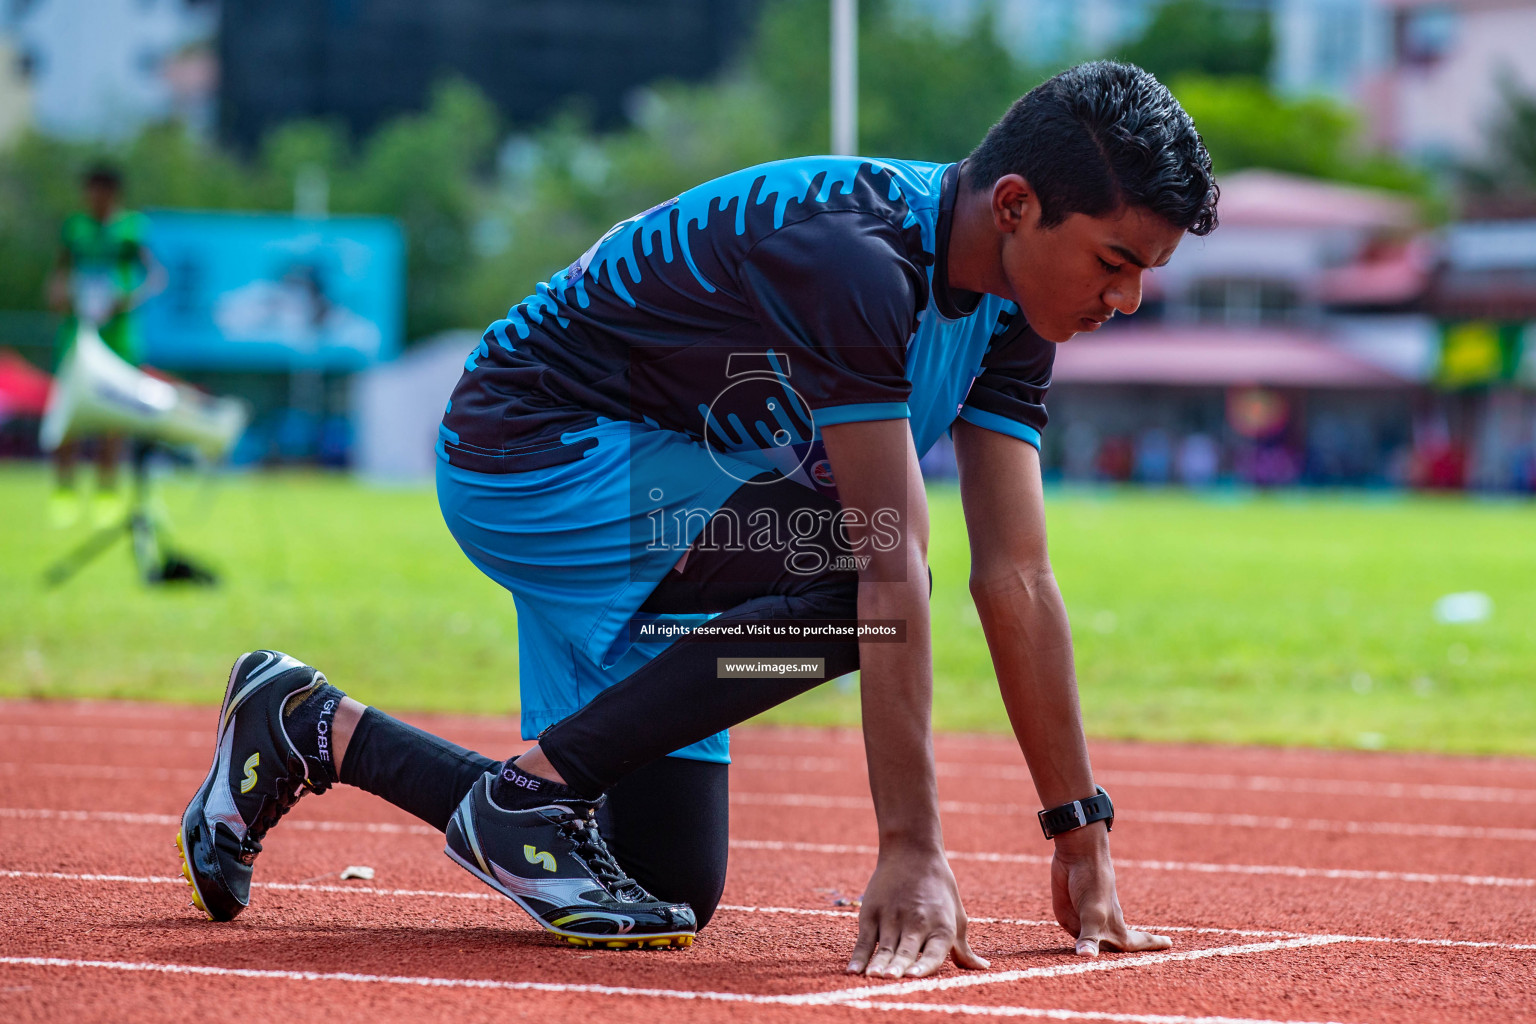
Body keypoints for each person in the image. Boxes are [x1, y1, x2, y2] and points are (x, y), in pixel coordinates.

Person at [175, 62, 1218, 975]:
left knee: (664, 884)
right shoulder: (858, 259)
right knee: (860, 580)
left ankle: (310, 723)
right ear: (1018, 205)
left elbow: (1019, 576)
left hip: (667, 491)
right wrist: (910, 846)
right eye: (1114, 264)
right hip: (532, 448)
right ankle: (529, 799)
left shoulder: (1013, 310)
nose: (1122, 302)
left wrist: (1081, 832)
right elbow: (888, 569)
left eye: (1143, 277)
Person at [46, 163, 165, 528]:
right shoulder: (75, 229)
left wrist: (126, 298)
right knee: (68, 410)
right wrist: (57, 291)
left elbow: (155, 276)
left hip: (118, 337)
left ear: (113, 193)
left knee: (114, 415)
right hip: (78, 334)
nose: (93, 199)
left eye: (100, 191)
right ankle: (64, 491)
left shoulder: (131, 230)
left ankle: (106, 491)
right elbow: (60, 273)